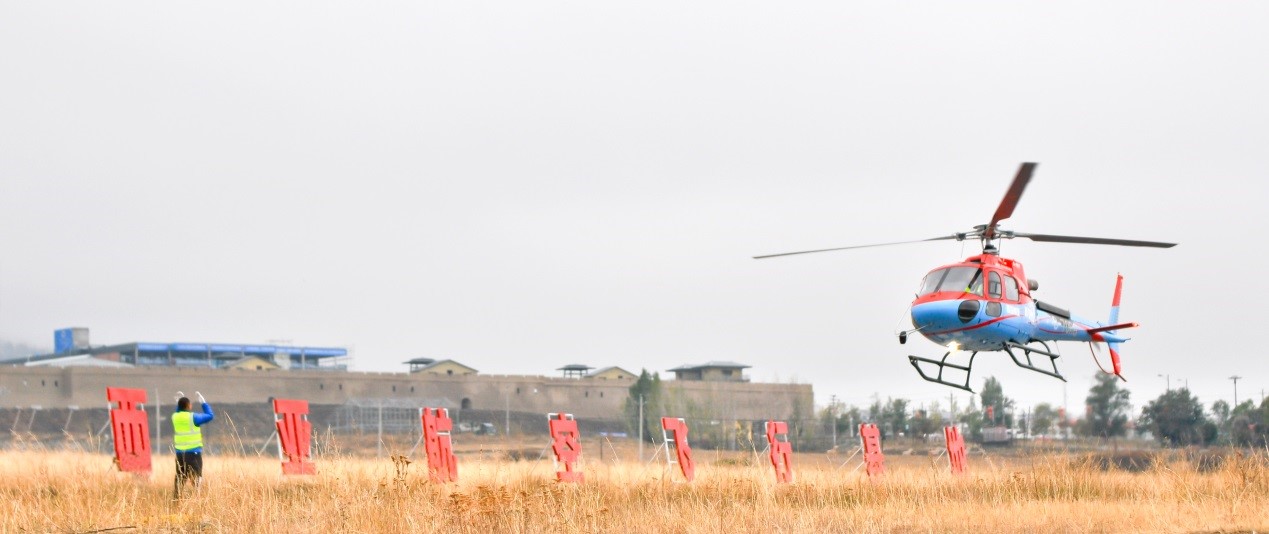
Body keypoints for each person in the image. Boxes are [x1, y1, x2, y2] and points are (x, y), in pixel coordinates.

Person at [172, 391, 214, 497]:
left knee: (180, 479)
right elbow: (210, 416)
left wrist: (179, 404)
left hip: (180, 454)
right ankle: (196, 500)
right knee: (196, 479)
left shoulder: (175, 417)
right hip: (193, 453)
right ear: (188, 406)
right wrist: (203, 403)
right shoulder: (193, 417)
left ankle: (176, 500)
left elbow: (178, 412)